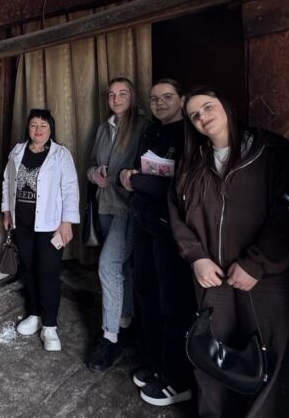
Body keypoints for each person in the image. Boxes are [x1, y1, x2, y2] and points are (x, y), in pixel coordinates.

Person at [170, 87, 289, 418]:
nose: (203, 117)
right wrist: (196, 257)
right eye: (194, 115)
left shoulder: (272, 153)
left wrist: (255, 263)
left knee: (270, 357)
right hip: (212, 276)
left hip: (269, 278)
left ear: (225, 106)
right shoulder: (192, 161)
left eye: (208, 107)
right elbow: (176, 213)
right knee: (212, 353)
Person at [118, 79, 196, 407]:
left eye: (167, 97)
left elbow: (183, 187)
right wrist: (133, 179)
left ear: (182, 100)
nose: (160, 102)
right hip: (144, 222)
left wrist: (136, 181)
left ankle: (177, 379)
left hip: (171, 230)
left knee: (173, 303)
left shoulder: (191, 135)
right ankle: (155, 363)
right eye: (154, 99)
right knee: (145, 294)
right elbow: (140, 172)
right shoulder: (151, 131)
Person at [2, 108, 80, 352]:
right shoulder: (17, 151)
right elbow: (7, 182)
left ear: (50, 129)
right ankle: (34, 314)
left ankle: (49, 326)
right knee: (28, 268)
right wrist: (7, 211)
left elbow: (70, 188)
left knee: (48, 272)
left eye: (43, 126)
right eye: (34, 125)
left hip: (49, 224)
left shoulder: (60, 154)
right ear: (28, 128)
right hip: (22, 223)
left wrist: (67, 222)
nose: (38, 130)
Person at [86, 78, 147, 372]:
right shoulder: (103, 128)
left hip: (127, 208)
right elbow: (90, 165)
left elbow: (149, 168)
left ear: (132, 96)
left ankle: (110, 337)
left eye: (122, 93)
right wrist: (94, 174)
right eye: (111, 94)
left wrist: (128, 177)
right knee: (122, 268)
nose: (116, 98)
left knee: (108, 266)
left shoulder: (143, 126)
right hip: (104, 206)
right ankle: (125, 323)